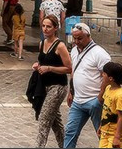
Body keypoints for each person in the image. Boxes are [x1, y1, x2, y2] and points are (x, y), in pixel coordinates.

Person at [63, 21, 111, 148]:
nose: (77, 41)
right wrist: (71, 91)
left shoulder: (100, 54)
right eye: (74, 38)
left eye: (80, 38)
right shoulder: (74, 51)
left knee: (103, 134)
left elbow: (107, 77)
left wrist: (100, 97)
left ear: (88, 36)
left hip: (94, 101)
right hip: (78, 101)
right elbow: (74, 72)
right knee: (70, 132)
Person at [33, 14, 73, 148]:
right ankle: (65, 145)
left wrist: (50, 68)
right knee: (56, 123)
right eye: (43, 26)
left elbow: (69, 68)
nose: (45, 29)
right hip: (44, 86)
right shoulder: (41, 43)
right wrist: (37, 65)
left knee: (44, 120)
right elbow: (42, 61)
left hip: (58, 87)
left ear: (55, 28)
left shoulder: (60, 46)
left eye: (48, 26)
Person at [97, 61, 122, 149]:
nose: (102, 75)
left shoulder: (120, 95)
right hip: (105, 131)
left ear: (110, 78)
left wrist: (117, 137)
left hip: (114, 134)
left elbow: (121, 117)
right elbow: (105, 110)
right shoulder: (108, 88)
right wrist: (101, 126)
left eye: (104, 73)